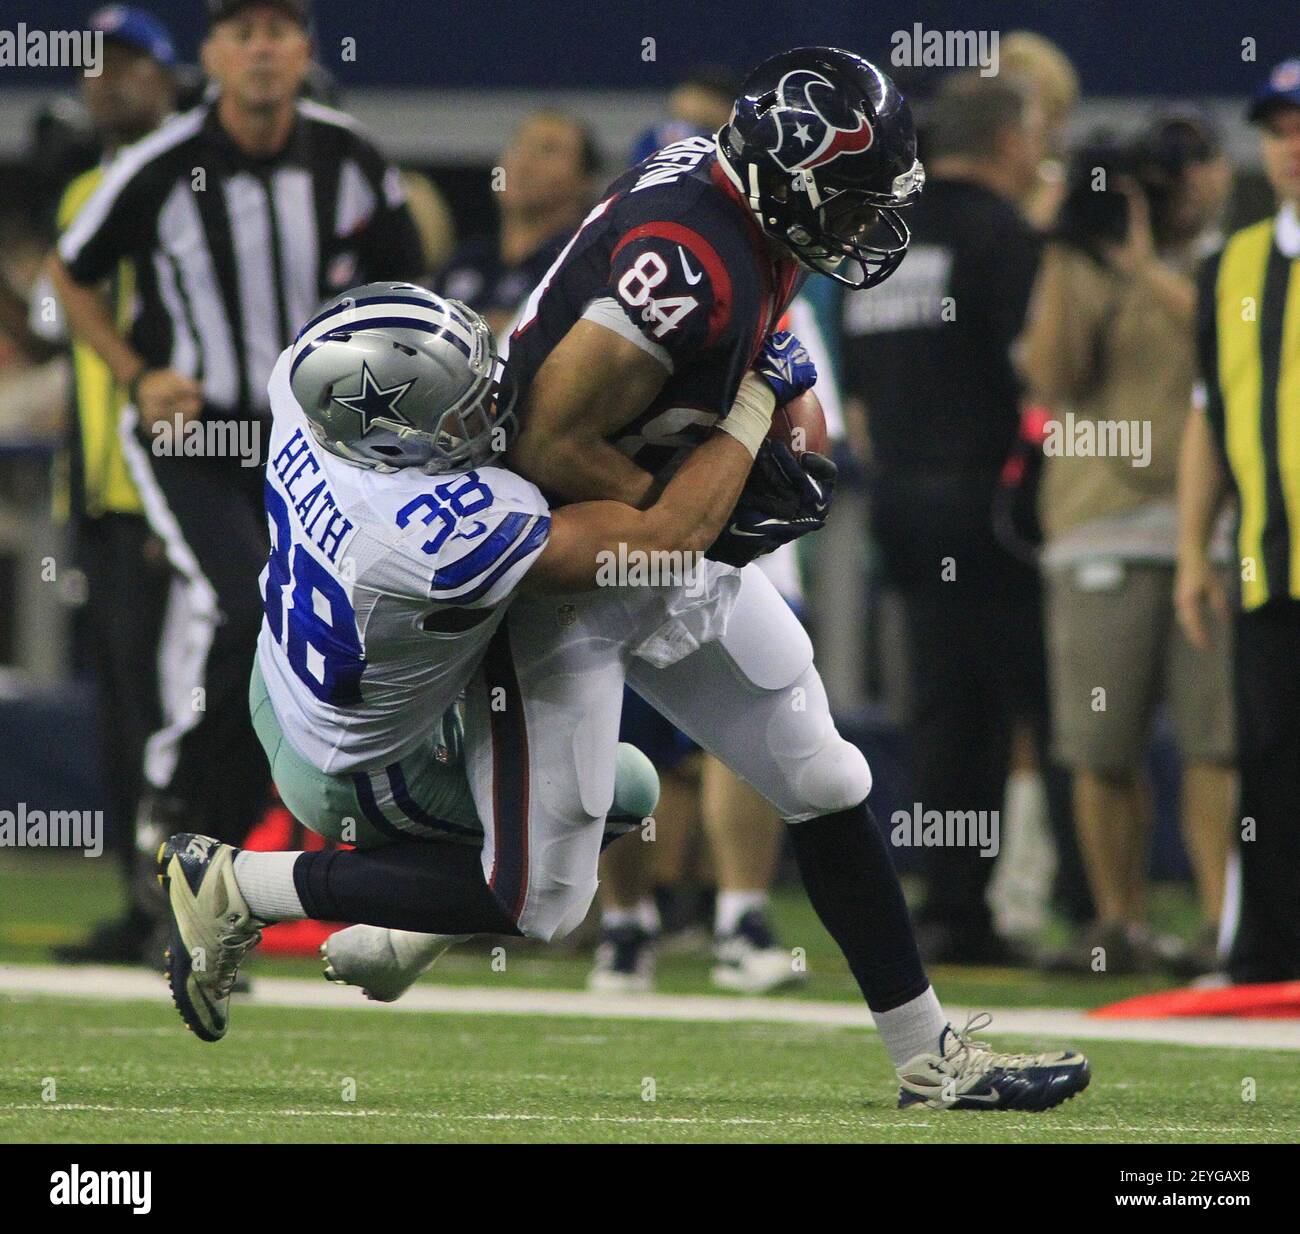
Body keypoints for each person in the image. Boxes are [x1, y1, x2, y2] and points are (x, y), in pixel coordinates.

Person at [293, 48, 1087, 1110]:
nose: (860, 228)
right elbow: (546, 437)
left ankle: (926, 1055)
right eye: (848, 202)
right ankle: (245, 883)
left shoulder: (744, 204)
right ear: (786, 178)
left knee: (826, 777)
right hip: (575, 567)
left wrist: (739, 437)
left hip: (667, 540)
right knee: (542, 902)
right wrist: (726, 451)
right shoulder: (688, 262)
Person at [157, 280, 794, 1027]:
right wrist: (755, 402)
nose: (492, 409)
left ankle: (400, 933)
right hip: (359, 769)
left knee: (579, 794)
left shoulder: (307, 388)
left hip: (283, 679)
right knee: (582, 838)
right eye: (462, 411)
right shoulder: (436, 534)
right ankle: (242, 886)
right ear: (395, 441)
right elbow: (665, 540)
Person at [46, 0, 424, 955]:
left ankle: (209, 851)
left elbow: (407, 289)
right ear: (211, 55)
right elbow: (70, 270)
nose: (261, 50)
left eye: (279, 31)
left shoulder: (349, 157)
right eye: (241, 33)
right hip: (193, 436)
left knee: (302, 638)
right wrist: (138, 374)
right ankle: (172, 790)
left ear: (304, 50)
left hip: (312, 441)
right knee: (248, 602)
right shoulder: (161, 164)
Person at [1020, 117, 1236, 974]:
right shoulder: (1078, 259)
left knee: (1216, 743)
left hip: (1214, 533)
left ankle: (1225, 926)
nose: (1178, 189)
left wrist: (1148, 267)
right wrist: (1076, 254)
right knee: (1100, 748)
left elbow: (1239, 349)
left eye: (1189, 168)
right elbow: (1053, 376)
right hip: (1097, 526)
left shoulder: (1242, 258)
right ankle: (1120, 924)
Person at [841, 73, 1046, 965]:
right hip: (993, 505)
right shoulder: (1002, 234)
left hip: (898, 499)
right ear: (1007, 143)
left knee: (939, 708)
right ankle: (1077, 901)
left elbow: (855, 396)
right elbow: (1037, 369)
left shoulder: (881, 238)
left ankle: (948, 904)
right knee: (1031, 707)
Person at [1176, 59, 1300, 985]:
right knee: (1267, 761)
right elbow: (1208, 415)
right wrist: (1191, 550)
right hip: (1269, 559)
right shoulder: (1233, 265)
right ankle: (1267, 953)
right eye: (1281, 127)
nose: (1294, 146)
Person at [434, 111, 599, 338]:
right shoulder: (466, 259)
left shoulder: (582, 265)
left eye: (547, 150)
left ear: (584, 181)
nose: (524, 162)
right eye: (519, 145)